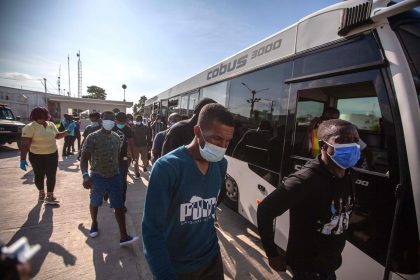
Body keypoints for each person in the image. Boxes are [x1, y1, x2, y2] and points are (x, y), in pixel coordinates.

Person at [257, 119, 361, 280]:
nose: (352, 146)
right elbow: (265, 211)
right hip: (308, 271)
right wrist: (272, 254)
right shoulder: (304, 181)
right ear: (323, 145)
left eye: (355, 140)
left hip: (330, 267)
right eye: (342, 141)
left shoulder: (349, 174)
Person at [142, 103, 234, 280]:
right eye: (217, 139)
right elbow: (152, 232)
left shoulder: (221, 164)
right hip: (176, 266)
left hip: (211, 260)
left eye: (227, 141)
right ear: (197, 131)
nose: (222, 147)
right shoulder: (167, 168)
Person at [80, 111, 138, 245]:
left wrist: (126, 160)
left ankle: (124, 236)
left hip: (115, 176)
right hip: (97, 176)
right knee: (95, 202)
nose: (110, 122)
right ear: (101, 119)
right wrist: (85, 175)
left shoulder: (117, 138)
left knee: (118, 205)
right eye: (107, 120)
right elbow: (84, 158)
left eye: (113, 120)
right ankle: (94, 223)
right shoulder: (92, 137)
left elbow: (117, 156)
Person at [20, 107, 69, 204]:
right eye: (39, 117)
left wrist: (67, 131)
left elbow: (57, 136)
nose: (41, 119)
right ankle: (41, 192)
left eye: (43, 116)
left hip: (52, 154)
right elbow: (25, 144)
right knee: (39, 175)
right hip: (36, 155)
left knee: (51, 175)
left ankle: (50, 196)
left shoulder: (51, 124)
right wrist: (22, 159)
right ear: (34, 117)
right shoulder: (30, 127)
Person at [113, 112, 134, 212]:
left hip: (123, 159)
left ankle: (121, 203)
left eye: (123, 121)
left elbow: (130, 143)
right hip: (109, 158)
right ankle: (107, 193)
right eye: (119, 121)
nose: (121, 123)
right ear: (115, 120)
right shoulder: (110, 128)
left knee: (123, 181)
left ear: (126, 121)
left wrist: (132, 156)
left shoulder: (128, 129)